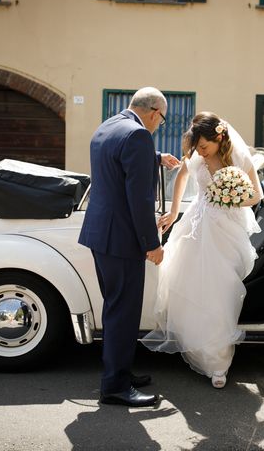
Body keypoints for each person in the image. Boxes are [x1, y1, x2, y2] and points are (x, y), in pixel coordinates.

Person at [142, 111, 262, 389]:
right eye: (197, 148)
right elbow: (183, 175)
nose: (201, 153)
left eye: (205, 147)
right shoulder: (197, 155)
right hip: (195, 225)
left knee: (218, 294)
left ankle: (219, 363)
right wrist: (173, 212)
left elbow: (256, 195)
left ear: (219, 138)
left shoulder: (240, 160)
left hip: (225, 232)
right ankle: (195, 345)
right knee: (190, 287)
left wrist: (231, 197)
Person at [78, 87, 180, 407]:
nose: (158, 126)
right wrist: (152, 244)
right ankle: (115, 387)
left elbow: (118, 157)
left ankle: (118, 372)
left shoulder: (108, 126)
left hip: (100, 235)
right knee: (123, 312)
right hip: (122, 240)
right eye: (161, 121)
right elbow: (140, 199)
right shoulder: (138, 135)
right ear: (153, 113)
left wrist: (155, 158)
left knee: (115, 308)